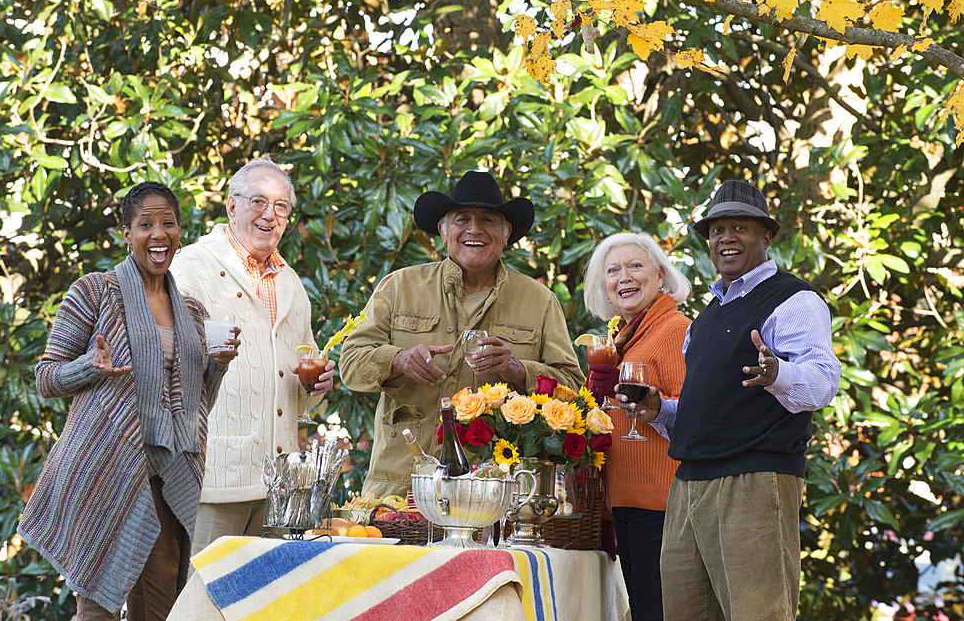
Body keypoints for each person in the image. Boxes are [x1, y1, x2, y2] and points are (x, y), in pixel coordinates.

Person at [19, 182, 240, 621]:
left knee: (157, 609)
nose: (158, 234)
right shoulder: (95, 292)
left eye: (168, 223)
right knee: (98, 607)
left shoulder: (191, 310)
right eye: (146, 224)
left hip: (168, 476)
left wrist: (216, 364)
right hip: (107, 468)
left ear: (179, 230)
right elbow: (46, 378)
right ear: (127, 233)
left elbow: (195, 407)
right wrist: (89, 367)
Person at [627, 180, 841, 621]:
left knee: (758, 614)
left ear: (766, 235)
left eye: (739, 227)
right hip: (689, 484)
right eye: (717, 230)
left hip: (755, 480)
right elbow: (711, 408)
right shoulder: (705, 318)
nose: (726, 238)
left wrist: (778, 373)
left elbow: (822, 382)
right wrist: (661, 410)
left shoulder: (794, 299)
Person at [339, 170, 585, 499]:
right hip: (399, 485)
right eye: (462, 219)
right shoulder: (398, 286)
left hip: (497, 492)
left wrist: (518, 369)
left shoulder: (540, 300)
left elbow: (573, 389)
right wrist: (399, 359)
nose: (474, 229)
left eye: (487, 219)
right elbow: (350, 365)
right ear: (443, 230)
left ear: (506, 233)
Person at [170, 158, 335, 552]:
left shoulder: (290, 281)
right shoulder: (190, 266)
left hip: (280, 485)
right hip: (213, 480)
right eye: (258, 202)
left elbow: (296, 383)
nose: (269, 215)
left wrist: (317, 384)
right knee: (202, 601)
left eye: (281, 206)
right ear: (231, 206)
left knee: (267, 604)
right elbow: (165, 362)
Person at [582, 232, 692, 621]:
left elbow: (693, 423)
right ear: (606, 289)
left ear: (660, 276)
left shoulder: (675, 330)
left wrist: (647, 405)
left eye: (635, 266)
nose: (623, 277)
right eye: (613, 271)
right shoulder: (620, 340)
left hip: (662, 507)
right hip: (626, 504)